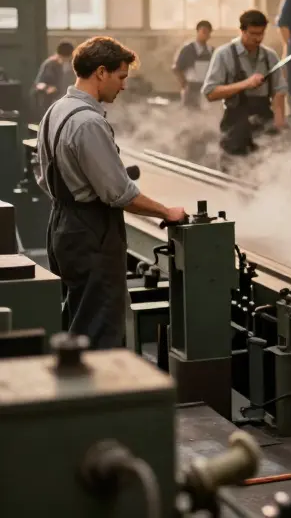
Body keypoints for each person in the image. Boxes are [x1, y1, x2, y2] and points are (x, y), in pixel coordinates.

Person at [35, 36, 187, 349]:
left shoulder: (56, 110)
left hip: (63, 226)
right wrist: (167, 211)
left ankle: (77, 387)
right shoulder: (88, 122)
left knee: (80, 318)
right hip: (92, 233)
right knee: (100, 328)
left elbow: (47, 176)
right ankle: (99, 394)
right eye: (121, 77)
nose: (124, 86)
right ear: (101, 73)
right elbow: (121, 195)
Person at [203, 9, 288, 158]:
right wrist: (245, 84)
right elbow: (210, 93)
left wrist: (279, 122)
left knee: (268, 168)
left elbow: (279, 91)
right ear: (242, 31)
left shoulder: (270, 56)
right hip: (235, 125)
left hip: (264, 123)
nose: (257, 39)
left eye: (261, 33)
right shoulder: (224, 54)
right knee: (233, 169)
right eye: (253, 34)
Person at [172, 20, 215, 109]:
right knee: (190, 114)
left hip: (206, 87)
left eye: (208, 32)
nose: (205, 35)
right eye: (203, 31)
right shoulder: (187, 49)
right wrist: (184, 84)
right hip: (191, 86)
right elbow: (176, 68)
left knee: (205, 114)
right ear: (197, 32)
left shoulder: (211, 51)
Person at [31, 41, 76, 117]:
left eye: (68, 59)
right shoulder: (49, 64)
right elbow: (38, 84)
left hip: (70, 101)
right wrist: (47, 88)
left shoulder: (74, 65)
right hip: (53, 101)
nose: (65, 61)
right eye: (63, 58)